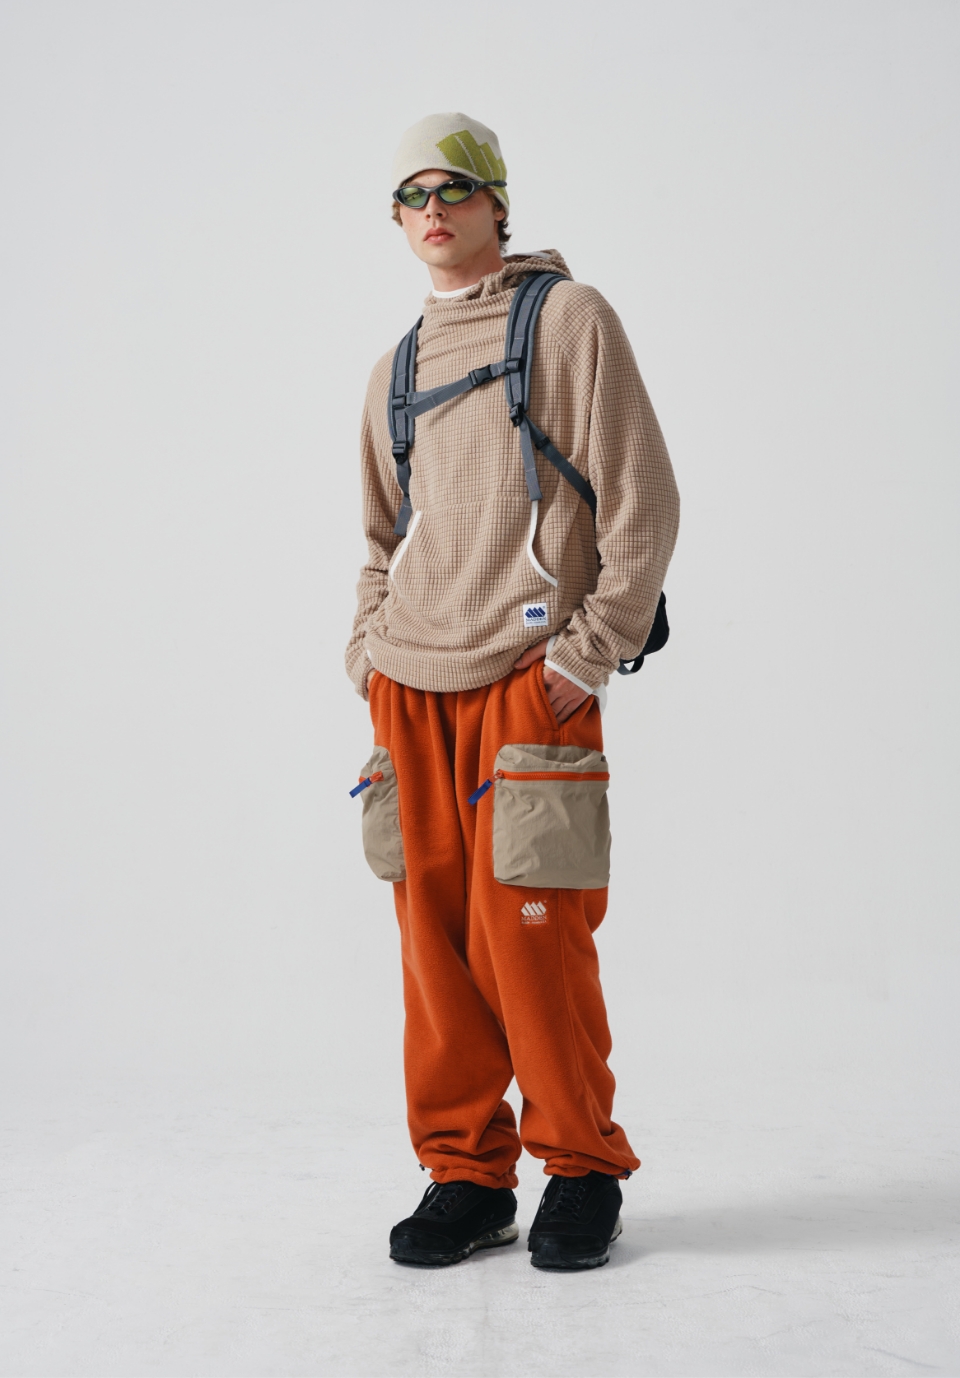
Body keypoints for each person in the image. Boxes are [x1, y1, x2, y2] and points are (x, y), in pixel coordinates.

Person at [345, 112, 679, 1270]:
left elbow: (644, 500)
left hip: (528, 684)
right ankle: (467, 1175)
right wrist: (367, 656)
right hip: (410, 693)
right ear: (396, 220)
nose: (433, 209)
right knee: (435, 956)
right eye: (412, 194)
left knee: (534, 941)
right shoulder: (394, 369)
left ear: (497, 203)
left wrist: (586, 657)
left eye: (456, 187)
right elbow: (378, 538)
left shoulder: (570, 320)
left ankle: (581, 1167)